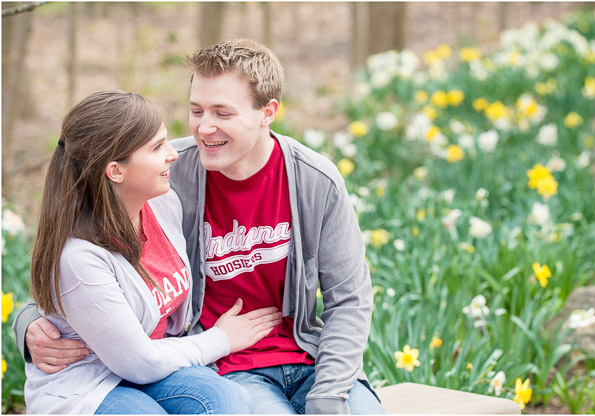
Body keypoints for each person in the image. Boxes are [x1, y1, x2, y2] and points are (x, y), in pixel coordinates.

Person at [15, 40, 382, 414]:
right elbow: (76, 258)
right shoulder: (163, 175)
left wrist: (328, 397)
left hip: (310, 358)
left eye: (222, 113)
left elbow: (349, 298)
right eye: (196, 110)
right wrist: (28, 323)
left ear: (267, 112)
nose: (204, 129)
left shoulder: (315, 181)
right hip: (225, 367)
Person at [22, 90, 282, 414]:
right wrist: (221, 340)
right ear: (115, 170)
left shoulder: (161, 203)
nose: (173, 154)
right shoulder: (80, 258)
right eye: (157, 147)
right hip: (90, 382)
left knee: (227, 400)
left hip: (155, 364)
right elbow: (139, 362)